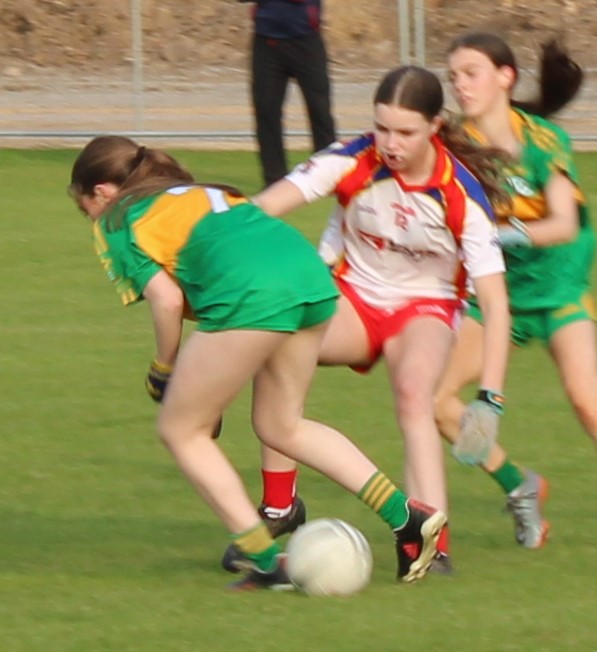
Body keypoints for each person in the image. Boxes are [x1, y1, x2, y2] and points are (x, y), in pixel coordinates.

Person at [68, 135, 448, 590]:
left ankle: (266, 562)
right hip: (309, 278)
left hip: (253, 293)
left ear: (103, 193)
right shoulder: (195, 191)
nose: (90, 217)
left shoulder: (116, 219)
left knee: (180, 431)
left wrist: (164, 370)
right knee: (281, 426)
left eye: (85, 207)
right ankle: (408, 518)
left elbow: (166, 300)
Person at [221, 65, 511, 574]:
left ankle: (431, 542)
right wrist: (208, 232)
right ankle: (280, 507)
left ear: (435, 127)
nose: (390, 144)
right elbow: (266, 206)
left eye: (406, 132)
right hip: (352, 297)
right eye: (382, 128)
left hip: (426, 307)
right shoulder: (353, 157)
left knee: (414, 394)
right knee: (275, 333)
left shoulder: (461, 194)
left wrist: (490, 397)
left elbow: (496, 302)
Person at [434, 32, 597, 550]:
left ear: (505, 77)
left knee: (587, 401)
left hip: (559, 286)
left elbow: (564, 224)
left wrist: (502, 234)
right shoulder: (453, 144)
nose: (460, 85)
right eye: (454, 76)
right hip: (497, 293)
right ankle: (519, 486)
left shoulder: (542, 140)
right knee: (438, 403)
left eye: (471, 73)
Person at [239, 0, 337, 187]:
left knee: (319, 110)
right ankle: (274, 180)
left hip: (306, 40)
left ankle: (327, 174)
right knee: (266, 112)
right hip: (266, 42)